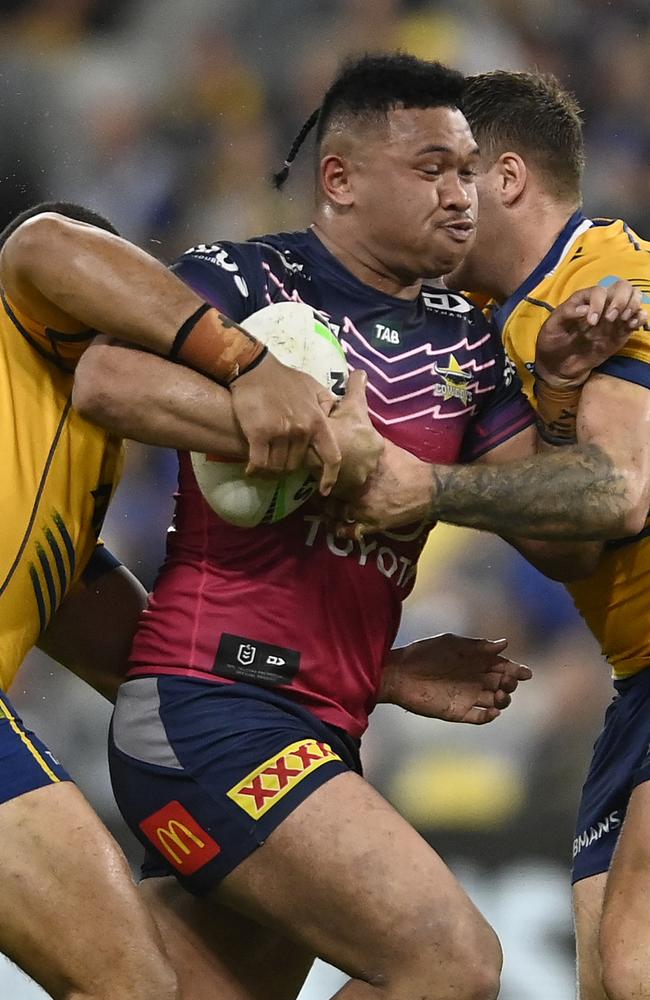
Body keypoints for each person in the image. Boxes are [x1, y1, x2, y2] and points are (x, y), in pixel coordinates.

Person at [90, 53, 640, 1000]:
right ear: (339, 179)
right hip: (208, 708)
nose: (461, 194)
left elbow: (569, 546)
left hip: (324, 721)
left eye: (469, 170)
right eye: (432, 170)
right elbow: (108, 381)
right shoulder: (247, 279)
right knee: (452, 962)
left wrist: (551, 393)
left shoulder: (471, 340)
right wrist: (290, 424)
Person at [0, 196, 364, 999]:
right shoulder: (25, 307)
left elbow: (143, 650)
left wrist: (362, 671)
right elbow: (45, 242)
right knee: (129, 984)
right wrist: (249, 362)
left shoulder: (55, 483)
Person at [344, 70, 650, 1000]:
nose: (436, 198)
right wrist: (552, 398)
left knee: (637, 968)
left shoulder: (598, 276)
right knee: (605, 977)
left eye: (453, 171)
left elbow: (624, 493)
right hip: (634, 679)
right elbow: (571, 546)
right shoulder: (498, 325)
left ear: (507, 178)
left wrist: (429, 486)